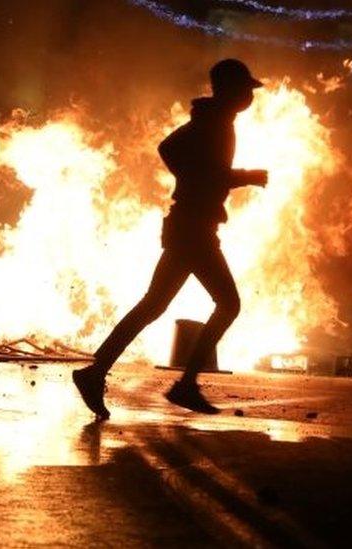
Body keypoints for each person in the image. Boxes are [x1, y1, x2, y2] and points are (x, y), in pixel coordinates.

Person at [73, 59, 267, 419]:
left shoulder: (214, 120)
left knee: (153, 305)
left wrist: (195, 180)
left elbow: (176, 153)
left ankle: (95, 373)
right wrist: (245, 177)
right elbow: (193, 163)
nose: (249, 97)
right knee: (227, 304)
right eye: (245, 90)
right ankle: (185, 385)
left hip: (190, 226)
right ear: (229, 90)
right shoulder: (214, 122)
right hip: (193, 229)